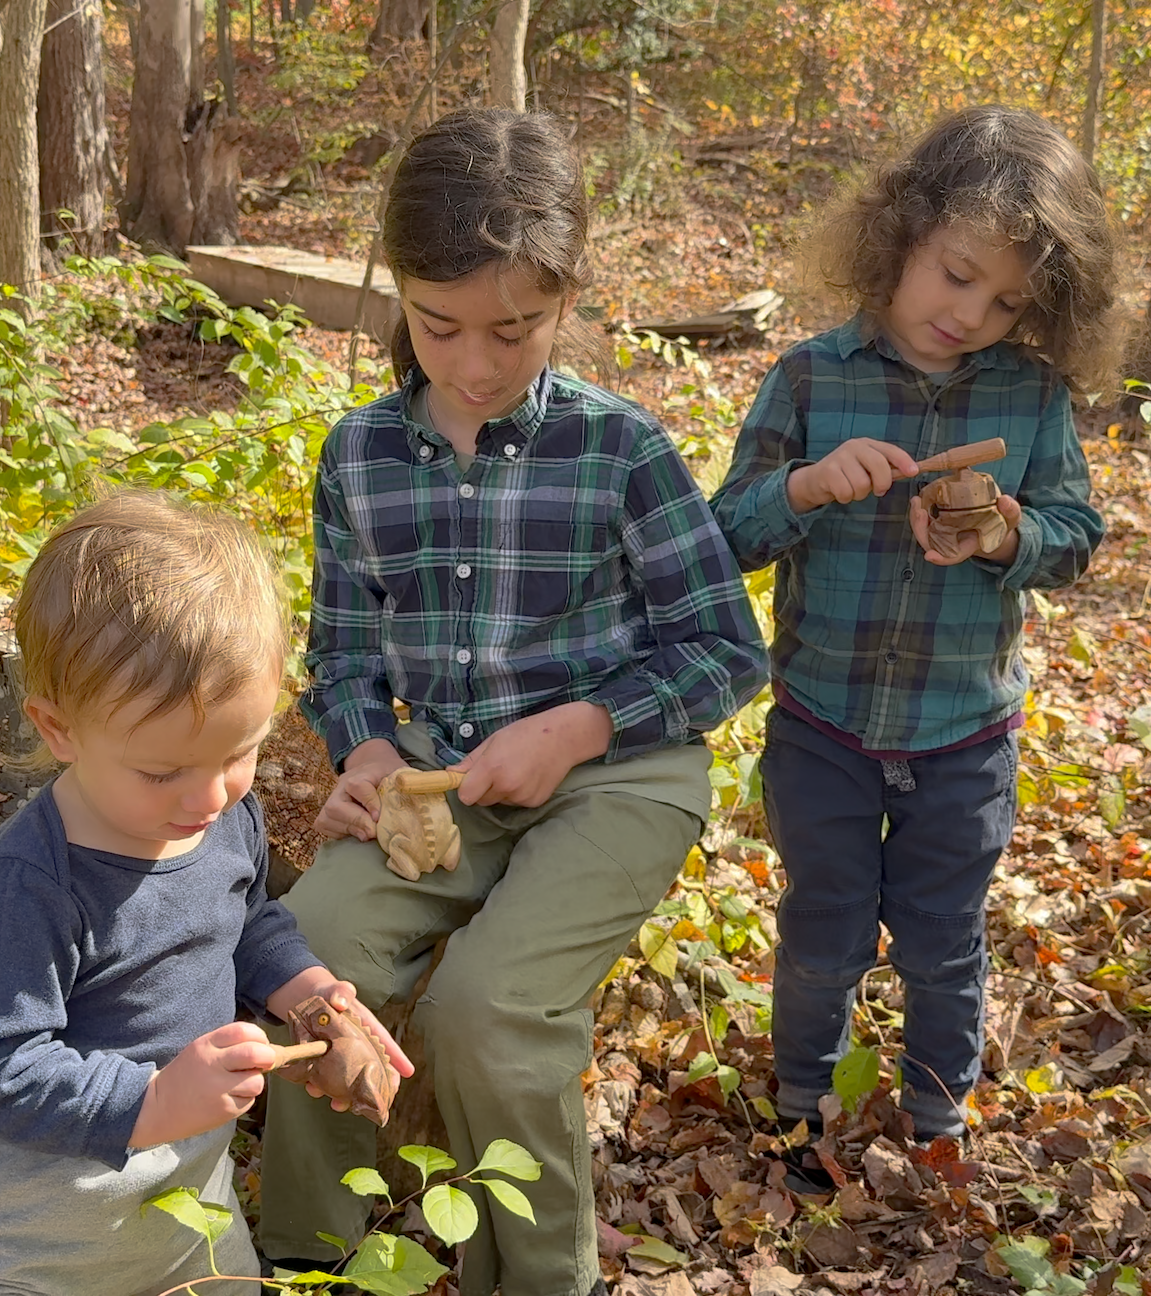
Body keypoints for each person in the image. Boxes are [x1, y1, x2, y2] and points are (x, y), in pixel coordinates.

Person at [258, 107, 767, 1296]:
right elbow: (339, 658)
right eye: (441, 328)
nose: (479, 364)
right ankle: (310, 1257)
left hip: (621, 778)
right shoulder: (361, 456)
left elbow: (726, 647)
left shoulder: (619, 448)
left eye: (517, 330)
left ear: (565, 299)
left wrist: (583, 724)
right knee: (319, 952)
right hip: (440, 780)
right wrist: (366, 751)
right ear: (398, 292)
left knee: (489, 1007)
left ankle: (537, 1275)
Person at [711, 105, 1124, 1141]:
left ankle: (937, 1121)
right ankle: (806, 1104)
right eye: (955, 272)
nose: (970, 312)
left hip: (963, 735)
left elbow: (1076, 535)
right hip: (824, 725)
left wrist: (1008, 538)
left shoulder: (1029, 398)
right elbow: (724, 536)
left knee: (944, 940)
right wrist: (805, 487)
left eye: (1006, 299)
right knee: (822, 931)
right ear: (900, 233)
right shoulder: (812, 376)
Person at [0, 492, 411, 1296]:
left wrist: (310, 994)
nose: (208, 797)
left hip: (181, 1216)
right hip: (23, 1236)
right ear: (60, 727)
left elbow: (245, 922)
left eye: (238, 752)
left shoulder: (224, 816)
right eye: (162, 770)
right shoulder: (30, 883)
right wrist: (157, 1098)